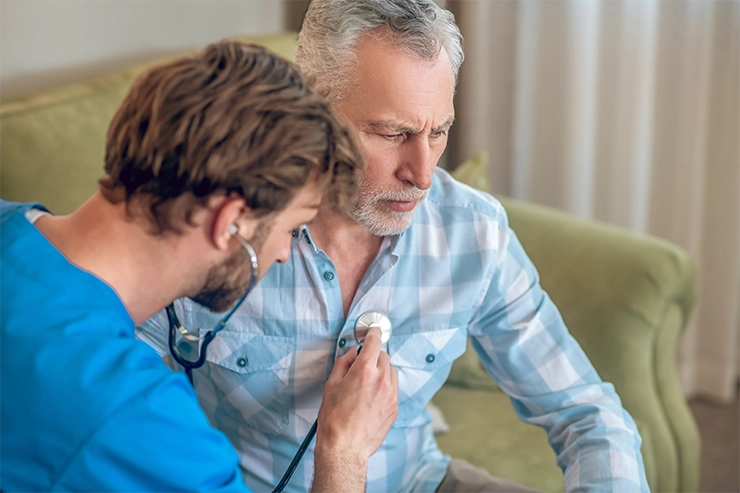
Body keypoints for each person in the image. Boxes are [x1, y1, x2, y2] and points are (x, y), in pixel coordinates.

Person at [138, 2, 651, 492]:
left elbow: (586, 412)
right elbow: (104, 407)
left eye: (440, 131)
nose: (422, 174)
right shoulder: (220, 228)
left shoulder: (474, 232)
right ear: (311, 107)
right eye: (392, 133)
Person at [0, 40, 399, 493]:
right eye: (294, 226)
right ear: (229, 224)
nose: (287, 252)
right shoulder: (138, 418)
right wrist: (344, 452)